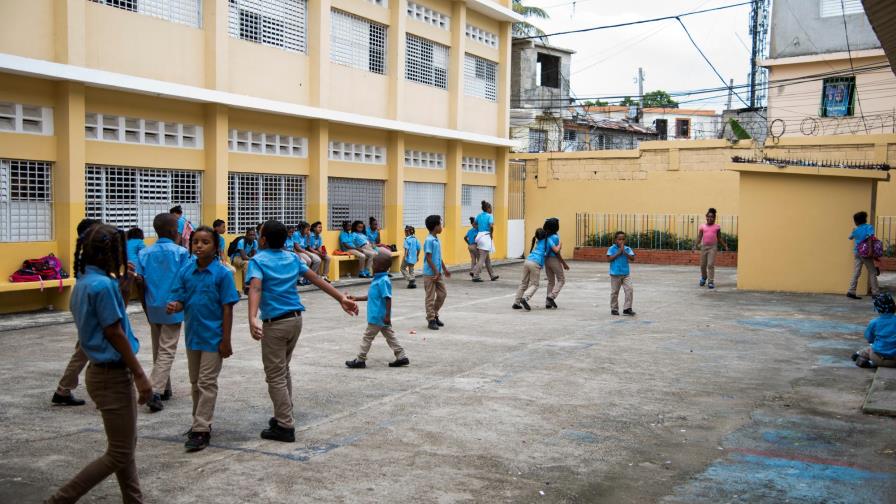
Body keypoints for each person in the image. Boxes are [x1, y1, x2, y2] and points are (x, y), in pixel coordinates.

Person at [45, 224, 152, 503]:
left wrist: (124, 290)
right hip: (111, 375)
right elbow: (114, 332)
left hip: (102, 373)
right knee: (119, 452)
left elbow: (112, 320)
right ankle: (60, 499)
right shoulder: (102, 286)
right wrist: (140, 374)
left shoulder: (86, 281)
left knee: (124, 447)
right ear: (111, 252)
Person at [246, 220, 358, 442]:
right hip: (295, 321)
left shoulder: (258, 260)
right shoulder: (292, 258)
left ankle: (285, 425)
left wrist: (252, 318)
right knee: (283, 369)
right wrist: (340, 298)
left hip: (276, 323)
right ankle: (283, 413)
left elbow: (255, 287)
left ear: (263, 240)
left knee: (275, 375)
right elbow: (316, 279)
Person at [167, 226, 240, 452]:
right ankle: (199, 421)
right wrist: (176, 305)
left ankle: (201, 429)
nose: (199, 246)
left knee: (207, 382)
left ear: (215, 247)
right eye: (195, 242)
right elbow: (181, 298)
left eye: (205, 242)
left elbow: (227, 308)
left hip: (213, 337)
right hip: (193, 336)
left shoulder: (222, 274)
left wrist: (226, 340)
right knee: (195, 382)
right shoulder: (186, 271)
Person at [136, 213, 191, 413]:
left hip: (152, 305)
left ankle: (165, 388)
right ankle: (154, 391)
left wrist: (144, 306)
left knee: (158, 348)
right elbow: (186, 280)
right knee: (167, 349)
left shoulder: (145, 253)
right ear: (173, 231)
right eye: (178, 228)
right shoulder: (181, 253)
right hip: (172, 306)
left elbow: (140, 282)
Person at [52, 218, 102, 407]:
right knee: (87, 349)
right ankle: (64, 389)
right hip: (91, 305)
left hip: (84, 303)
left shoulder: (86, 254)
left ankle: (64, 389)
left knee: (84, 347)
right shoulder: (91, 255)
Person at [345, 249, 409, 369]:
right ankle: (401, 357)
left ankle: (360, 359)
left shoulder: (383, 281)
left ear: (381, 267)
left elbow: (388, 298)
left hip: (377, 316)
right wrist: (356, 298)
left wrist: (387, 316)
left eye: (374, 263)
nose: (372, 266)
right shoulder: (378, 279)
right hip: (381, 317)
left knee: (367, 337)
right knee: (390, 336)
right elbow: (372, 296)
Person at [853, 293, 896, 368]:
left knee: (872, 347)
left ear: (876, 308)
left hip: (876, 357)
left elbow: (869, 338)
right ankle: (871, 363)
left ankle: (860, 355)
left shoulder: (874, 322)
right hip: (894, 359)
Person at [423, 215, 450, 330]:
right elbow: (428, 258)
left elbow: (438, 257)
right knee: (430, 297)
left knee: (442, 294)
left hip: (437, 273)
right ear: (435, 226)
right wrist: (435, 272)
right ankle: (431, 319)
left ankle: (434, 314)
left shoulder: (436, 239)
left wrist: (444, 269)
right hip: (430, 274)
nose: (441, 226)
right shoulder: (429, 240)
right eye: (440, 224)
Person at [513, 228, 548, 311]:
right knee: (535, 284)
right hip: (535, 263)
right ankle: (525, 298)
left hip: (527, 260)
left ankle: (516, 303)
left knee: (523, 283)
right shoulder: (546, 242)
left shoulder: (537, 241)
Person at [848, 210, 880, 299]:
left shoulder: (856, 229)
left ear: (856, 221)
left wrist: (854, 231)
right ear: (865, 219)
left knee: (856, 272)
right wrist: (871, 250)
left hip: (857, 253)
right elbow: (870, 238)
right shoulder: (869, 227)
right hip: (865, 253)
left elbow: (850, 237)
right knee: (873, 272)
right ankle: (875, 293)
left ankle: (851, 291)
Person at [694, 208, 729, 289]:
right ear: (706, 217)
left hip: (713, 247)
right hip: (704, 247)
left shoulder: (717, 227)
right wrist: (695, 245)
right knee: (702, 265)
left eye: (712, 217)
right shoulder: (702, 227)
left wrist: (725, 245)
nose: (710, 218)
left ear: (714, 218)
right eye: (708, 216)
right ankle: (704, 277)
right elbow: (699, 237)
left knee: (710, 265)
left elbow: (719, 238)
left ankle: (710, 281)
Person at [543, 218, 570, 309]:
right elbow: (557, 253)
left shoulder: (545, 236)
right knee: (561, 279)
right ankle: (552, 296)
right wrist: (564, 263)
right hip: (554, 259)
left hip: (546, 260)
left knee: (551, 281)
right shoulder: (555, 237)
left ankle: (548, 303)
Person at [607, 231, 636, 316]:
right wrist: (618, 253)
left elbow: (632, 258)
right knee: (615, 292)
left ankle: (627, 308)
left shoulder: (627, 249)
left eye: (623, 239)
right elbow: (609, 259)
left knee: (629, 289)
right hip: (615, 274)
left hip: (625, 274)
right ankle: (614, 308)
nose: (621, 241)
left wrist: (624, 253)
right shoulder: (612, 249)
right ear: (615, 240)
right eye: (619, 239)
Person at [472, 201, 499, 282]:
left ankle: (492, 275)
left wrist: (479, 229)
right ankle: (475, 275)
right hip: (486, 237)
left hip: (479, 236)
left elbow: (474, 224)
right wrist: (491, 234)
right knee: (482, 258)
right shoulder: (490, 216)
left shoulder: (479, 215)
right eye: (491, 208)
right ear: (488, 209)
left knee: (487, 259)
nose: (491, 210)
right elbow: (491, 226)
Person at [230, 227, 258, 295]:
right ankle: (246, 287)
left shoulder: (255, 242)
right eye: (250, 235)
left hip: (247, 257)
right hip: (236, 257)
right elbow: (243, 257)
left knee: (255, 264)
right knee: (247, 263)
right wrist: (253, 259)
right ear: (246, 235)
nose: (252, 236)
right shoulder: (242, 242)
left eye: (253, 235)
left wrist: (254, 259)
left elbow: (254, 255)